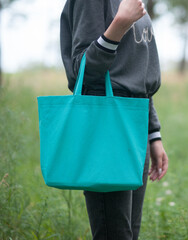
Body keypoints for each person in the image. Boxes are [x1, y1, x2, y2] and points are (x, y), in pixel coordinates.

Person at [60, 0, 169, 239]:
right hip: (105, 127)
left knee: (129, 232)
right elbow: (80, 72)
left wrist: (153, 134)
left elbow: (136, 75)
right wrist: (119, 25)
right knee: (115, 233)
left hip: (135, 126)